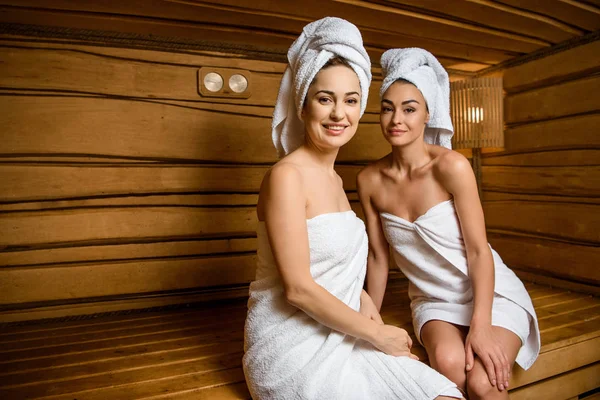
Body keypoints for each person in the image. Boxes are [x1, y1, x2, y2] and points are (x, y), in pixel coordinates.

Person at [243, 18, 463, 400]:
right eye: (325, 99)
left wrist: (373, 319)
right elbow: (297, 289)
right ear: (303, 104)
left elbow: (340, 274)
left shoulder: (334, 181)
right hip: (293, 346)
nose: (338, 114)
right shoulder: (286, 177)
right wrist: (377, 333)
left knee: (445, 395)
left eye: (351, 100)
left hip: (344, 331)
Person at [357, 48, 540, 400]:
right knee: (450, 367)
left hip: (491, 293)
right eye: (387, 107)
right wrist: (370, 327)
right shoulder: (368, 180)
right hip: (434, 299)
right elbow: (378, 258)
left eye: (410, 108)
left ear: (428, 113)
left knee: (484, 384)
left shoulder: (452, 167)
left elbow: (477, 251)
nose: (397, 118)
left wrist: (481, 325)